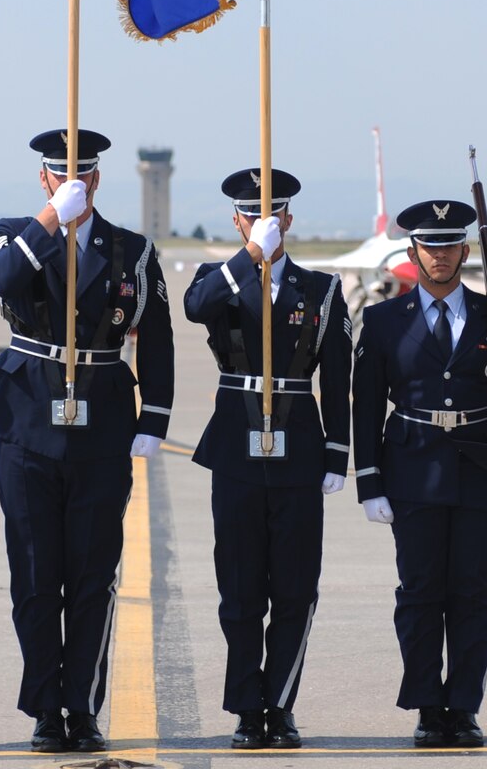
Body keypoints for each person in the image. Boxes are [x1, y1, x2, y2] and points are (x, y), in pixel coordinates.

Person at [0, 129, 176, 755]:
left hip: (101, 420)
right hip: (27, 419)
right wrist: (48, 222)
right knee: (36, 575)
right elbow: (5, 278)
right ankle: (45, 707)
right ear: (45, 180)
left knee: (92, 575)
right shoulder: (15, 230)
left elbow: (159, 338)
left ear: (97, 179)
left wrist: (155, 418)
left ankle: (83, 704)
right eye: (61, 176)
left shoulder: (131, 250)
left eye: (83, 176)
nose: (74, 184)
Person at [351, 197, 487, 749]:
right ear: (414, 250)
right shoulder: (385, 320)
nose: (440, 256)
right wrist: (369, 482)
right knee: (419, 592)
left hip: (481, 468)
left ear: (465, 250)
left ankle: (463, 707)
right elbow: (366, 405)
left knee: (474, 593)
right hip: (411, 468)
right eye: (429, 247)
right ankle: (427, 706)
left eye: (450, 245)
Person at [182, 168, 351, 750]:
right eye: (253, 216)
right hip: (236, 444)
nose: (265, 222)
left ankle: (280, 705)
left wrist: (337, 452)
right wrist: (251, 254)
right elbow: (194, 306)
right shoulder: (218, 279)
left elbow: (340, 376)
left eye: (274, 215)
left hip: (300, 446)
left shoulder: (321, 289)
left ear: (289, 218)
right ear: (237, 220)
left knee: (297, 587)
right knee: (240, 588)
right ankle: (246, 707)